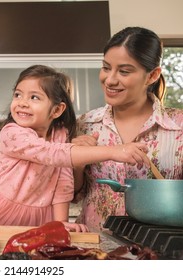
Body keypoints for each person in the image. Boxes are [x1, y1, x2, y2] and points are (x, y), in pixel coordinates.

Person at [0, 65, 150, 232]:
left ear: (56, 110)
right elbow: (51, 154)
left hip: (41, 218)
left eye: (34, 97)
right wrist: (114, 151)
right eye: (18, 94)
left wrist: (60, 222)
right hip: (1, 213)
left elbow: (63, 182)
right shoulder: (12, 133)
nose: (22, 102)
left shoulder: (60, 135)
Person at [73, 27, 183, 232]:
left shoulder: (179, 127)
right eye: (106, 67)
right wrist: (77, 163)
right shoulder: (84, 124)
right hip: (96, 248)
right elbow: (72, 195)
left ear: (152, 75)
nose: (110, 79)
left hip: (160, 249)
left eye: (124, 71)